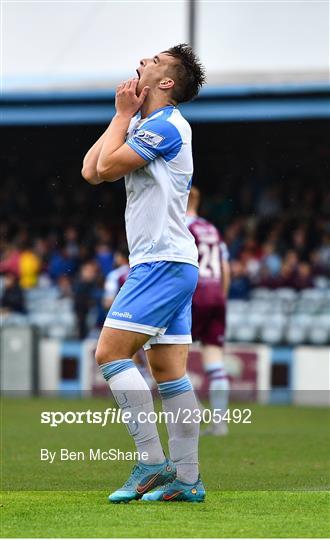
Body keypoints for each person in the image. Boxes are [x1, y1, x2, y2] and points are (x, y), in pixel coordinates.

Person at [82, 44, 206, 503]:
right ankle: (188, 480)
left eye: (153, 61)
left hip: (163, 262)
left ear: (166, 82)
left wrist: (122, 116)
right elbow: (90, 172)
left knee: (109, 354)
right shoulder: (140, 123)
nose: (143, 61)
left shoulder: (168, 126)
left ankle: (152, 462)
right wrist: (121, 116)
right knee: (169, 372)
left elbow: (108, 167)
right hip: (170, 262)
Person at [186, 186, 231, 436]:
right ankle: (220, 424)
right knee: (215, 362)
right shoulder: (212, 229)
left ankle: (195, 409)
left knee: (173, 360)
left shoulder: (181, 225)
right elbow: (226, 267)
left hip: (195, 294)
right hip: (217, 295)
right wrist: (221, 296)